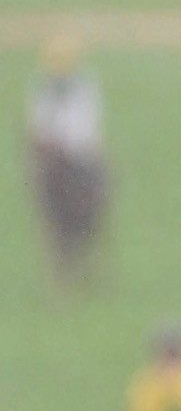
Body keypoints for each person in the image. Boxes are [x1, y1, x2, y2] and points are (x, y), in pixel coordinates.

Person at [25, 32, 110, 275]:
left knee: (94, 195)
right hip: (53, 156)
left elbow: (87, 127)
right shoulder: (42, 86)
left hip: (80, 157)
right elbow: (37, 124)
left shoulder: (85, 85)